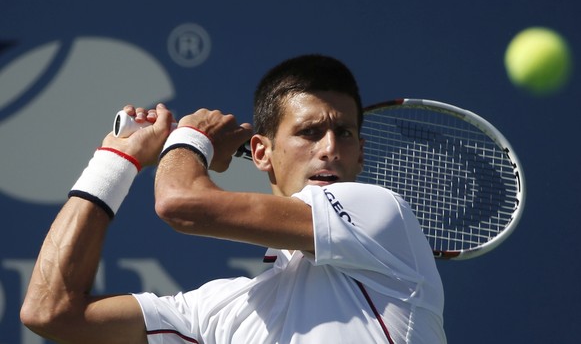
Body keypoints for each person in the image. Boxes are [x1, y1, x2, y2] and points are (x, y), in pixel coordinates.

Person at [21, 54, 447, 343]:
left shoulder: (381, 213)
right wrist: (115, 161)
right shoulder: (219, 311)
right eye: (309, 132)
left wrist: (191, 139)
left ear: (360, 155)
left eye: (345, 133)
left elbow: (179, 202)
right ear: (261, 152)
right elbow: (49, 312)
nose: (330, 148)